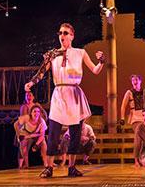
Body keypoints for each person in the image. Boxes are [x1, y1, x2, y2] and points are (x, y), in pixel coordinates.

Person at [24, 23, 105, 177]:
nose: (62, 35)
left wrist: (101, 62)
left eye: (66, 33)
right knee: (54, 131)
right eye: (60, 32)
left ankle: (72, 167)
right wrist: (32, 82)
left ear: (72, 35)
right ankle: (49, 167)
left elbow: (95, 70)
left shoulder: (80, 53)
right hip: (59, 94)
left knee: (75, 132)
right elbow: (41, 72)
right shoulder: (52, 54)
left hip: (74, 94)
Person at [120, 74, 145, 167]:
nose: (134, 82)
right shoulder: (129, 92)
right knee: (138, 136)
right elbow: (123, 106)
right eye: (133, 80)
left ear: (140, 81)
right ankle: (136, 160)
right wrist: (122, 118)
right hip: (135, 119)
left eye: (136, 80)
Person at [14, 104, 48, 169]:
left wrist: (36, 145)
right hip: (25, 133)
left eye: (38, 112)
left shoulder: (42, 121)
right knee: (23, 146)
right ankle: (26, 165)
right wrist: (18, 135)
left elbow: (42, 135)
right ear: (31, 113)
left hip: (35, 134)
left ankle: (45, 163)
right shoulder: (27, 117)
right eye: (34, 111)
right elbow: (15, 124)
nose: (36, 113)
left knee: (43, 142)